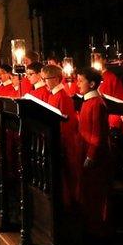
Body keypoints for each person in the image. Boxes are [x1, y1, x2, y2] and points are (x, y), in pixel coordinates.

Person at [76, 68, 113, 238]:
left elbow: (98, 134)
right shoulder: (87, 102)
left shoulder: (97, 103)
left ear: (91, 84)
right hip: (86, 150)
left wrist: (91, 155)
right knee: (87, 191)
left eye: (81, 80)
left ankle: (98, 229)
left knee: (96, 193)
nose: (77, 83)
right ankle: (89, 226)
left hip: (96, 156)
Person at [41, 64, 80, 209]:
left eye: (47, 79)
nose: (44, 82)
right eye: (43, 79)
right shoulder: (53, 95)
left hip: (63, 142)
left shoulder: (63, 97)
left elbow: (67, 125)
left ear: (57, 79)